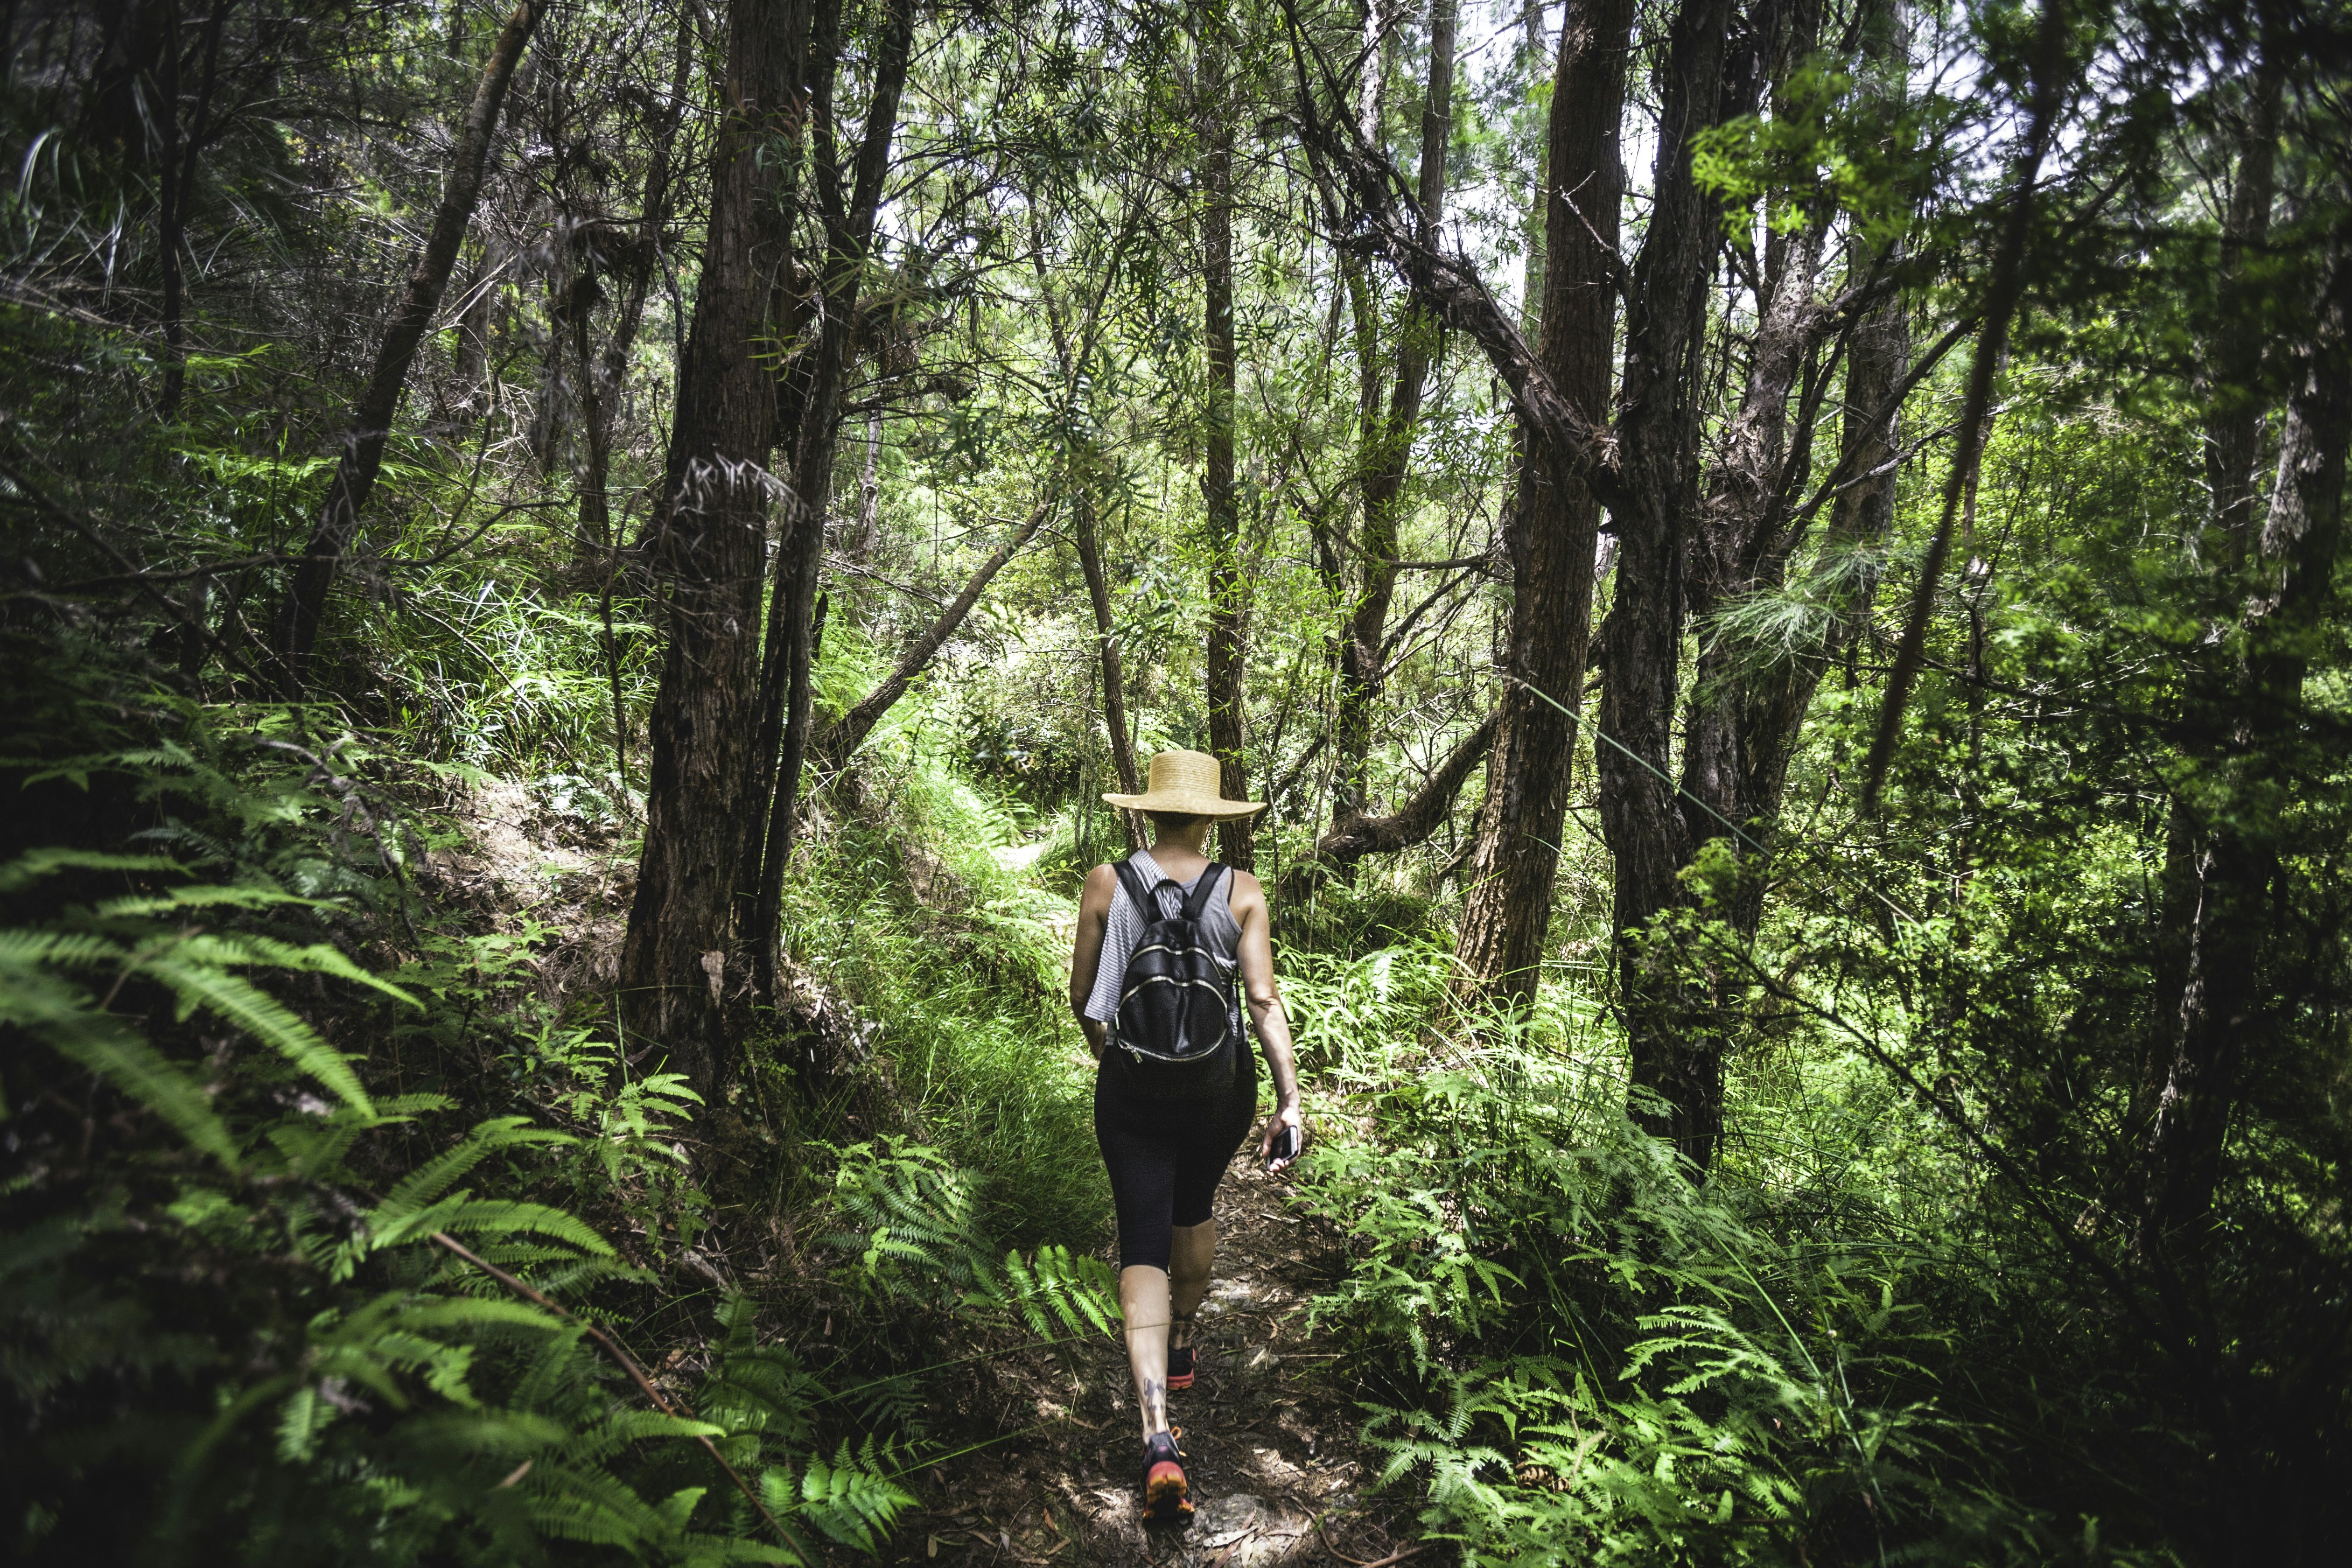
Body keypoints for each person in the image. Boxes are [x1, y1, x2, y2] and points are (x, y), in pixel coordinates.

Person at [1067, 748, 1305, 1522]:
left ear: (1148, 810)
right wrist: (1289, 1102)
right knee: (1194, 1208)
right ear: (1209, 817)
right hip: (1217, 1089)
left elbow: (1084, 1001)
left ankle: (1157, 1439)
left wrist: (1118, 1065)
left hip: (1132, 1088)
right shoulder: (1241, 890)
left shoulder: (1108, 882)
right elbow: (1263, 1002)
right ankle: (1183, 1345)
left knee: (1141, 1243)